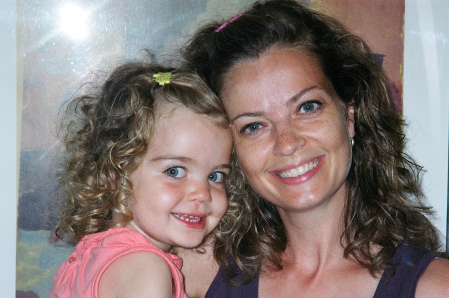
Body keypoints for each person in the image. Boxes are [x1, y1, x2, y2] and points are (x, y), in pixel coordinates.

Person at [177, 0, 449, 297]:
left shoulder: (434, 287)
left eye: (307, 107)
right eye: (253, 126)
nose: (288, 143)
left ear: (348, 116)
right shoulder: (190, 271)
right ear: (231, 151)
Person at [50, 62, 233, 297]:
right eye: (175, 171)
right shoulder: (146, 269)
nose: (203, 193)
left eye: (215, 176)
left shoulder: (91, 257)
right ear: (115, 175)